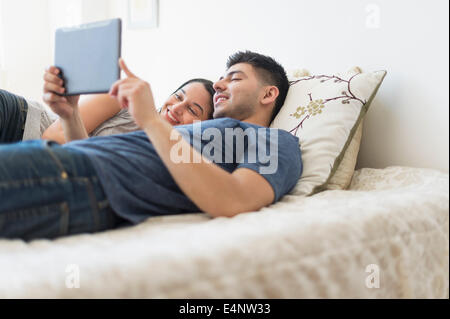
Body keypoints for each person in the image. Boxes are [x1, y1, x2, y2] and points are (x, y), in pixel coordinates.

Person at [0, 51, 303, 241]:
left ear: (268, 95)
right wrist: (68, 115)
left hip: (84, 181)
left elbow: (233, 201)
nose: (219, 85)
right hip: (69, 161)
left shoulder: (276, 141)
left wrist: (151, 121)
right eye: (220, 79)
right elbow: (94, 153)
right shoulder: (194, 132)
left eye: (233, 79)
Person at [0, 77, 215, 144]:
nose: (176, 107)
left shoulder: (166, 157)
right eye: (178, 96)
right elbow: (53, 137)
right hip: (20, 122)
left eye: (193, 110)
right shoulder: (123, 101)